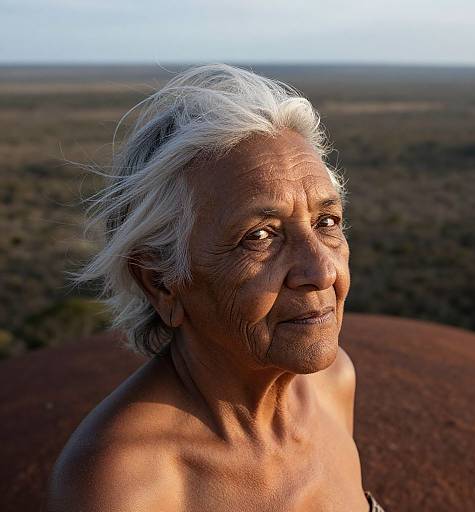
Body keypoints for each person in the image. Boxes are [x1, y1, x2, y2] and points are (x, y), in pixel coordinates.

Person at [46, 64, 386, 512]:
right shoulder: (125, 485)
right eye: (260, 235)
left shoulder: (332, 384)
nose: (322, 272)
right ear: (161, 281)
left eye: (327, 222)